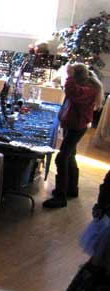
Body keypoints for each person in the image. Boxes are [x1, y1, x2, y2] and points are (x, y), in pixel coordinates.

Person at [44, 63, 104, 209]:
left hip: (77, 127)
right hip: (72, 124)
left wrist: (69, 76)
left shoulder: (89, 88)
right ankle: (72, 188)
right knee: (70, 156)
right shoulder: (84, 86)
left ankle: (60, 196)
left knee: (62, 158)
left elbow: (73, 93)